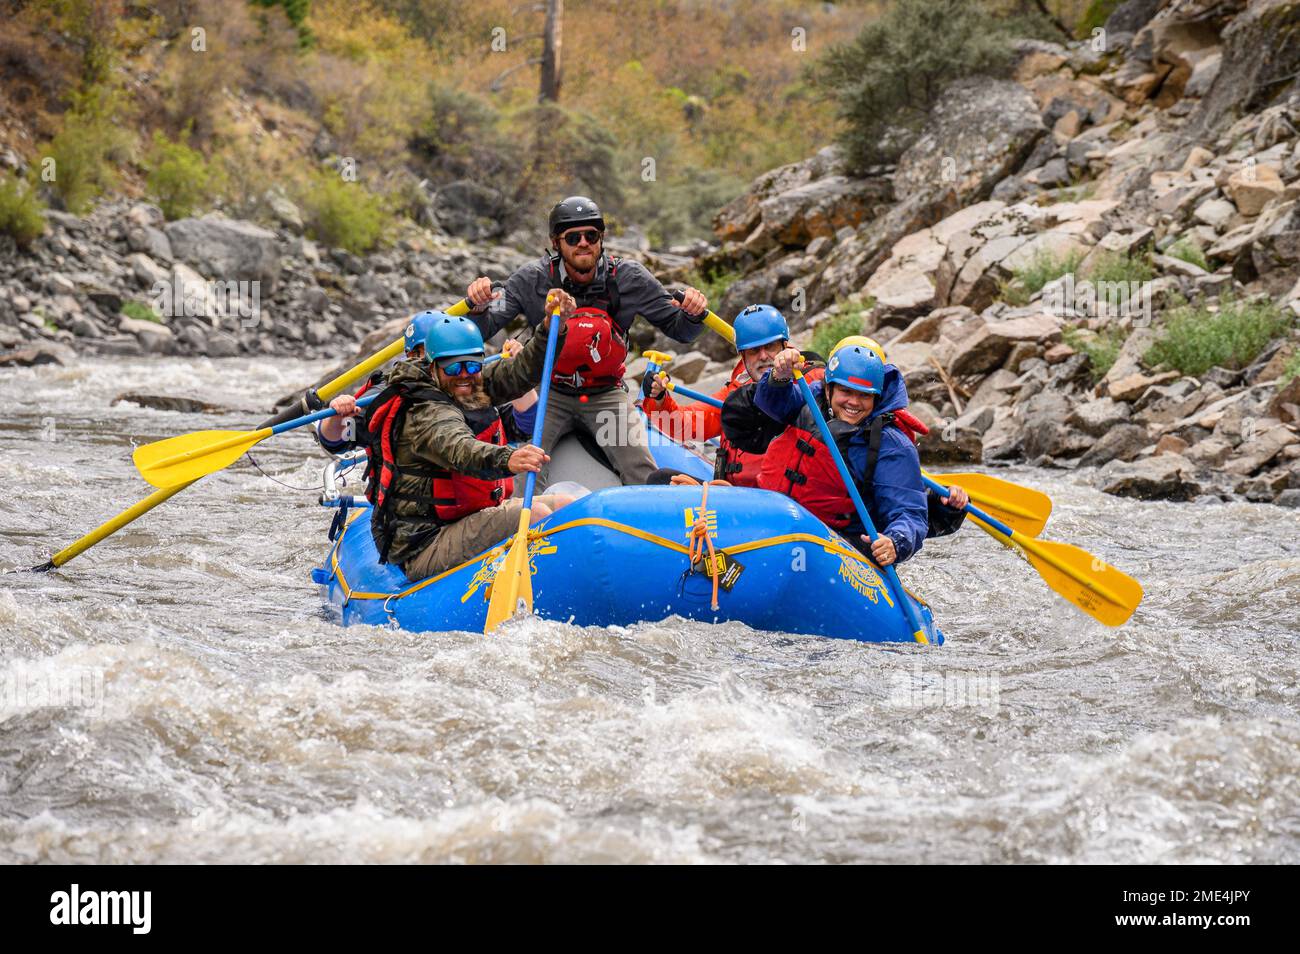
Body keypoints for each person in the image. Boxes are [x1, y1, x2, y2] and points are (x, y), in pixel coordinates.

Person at [464, 195, 709, 486]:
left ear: (601, 239)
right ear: (556, 243)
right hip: (550, 392)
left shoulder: (629, 278)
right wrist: (477, 308)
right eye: (573, 237)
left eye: (591, 235)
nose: (583, 243)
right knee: (527, 471)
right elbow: (482, 330)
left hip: (606, 394)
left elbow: (681, 331)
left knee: (640, 468)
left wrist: (693, 314)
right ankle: (522, 514)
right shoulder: (532, 279)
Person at [359, 308, 574, 581]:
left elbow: (521, 372)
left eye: (471, 366)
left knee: (567, 505)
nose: (463, 375)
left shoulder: (468, 382)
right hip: (425, 543)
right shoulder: (424, 410)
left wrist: (551, 328)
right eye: (453, 368)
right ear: (433, 366)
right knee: (536, 515)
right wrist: (508, 458)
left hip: (468, 516)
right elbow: (460, 449)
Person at [753, 343, 938, 567]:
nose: (854, 402)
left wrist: (895, 542)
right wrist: (779, 376)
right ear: (829, 390)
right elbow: (771, 401)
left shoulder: (892, 445)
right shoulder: (810, 399)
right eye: (846, 391)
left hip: (842, 546)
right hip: (778, 521)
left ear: (876, 398)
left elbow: (909, 512)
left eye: (864, 395)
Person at [641, 303, 826, 487]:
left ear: (784, 346)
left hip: (784, 496)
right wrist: (659, 400)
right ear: (743, 357)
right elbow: (685, 426)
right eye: (754, 350)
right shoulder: (737, 392)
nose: (763, 356)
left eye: (770, 347)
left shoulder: (810, 381)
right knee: (661, 479)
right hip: (735, 493)